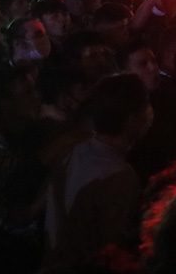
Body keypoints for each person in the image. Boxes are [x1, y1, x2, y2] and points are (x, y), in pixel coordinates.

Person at [45, 73, 151, 269]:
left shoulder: (73, 152)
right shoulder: (120, 179)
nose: (150, 113)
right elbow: (112, 252)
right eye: (146, 107)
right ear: (132, 120)